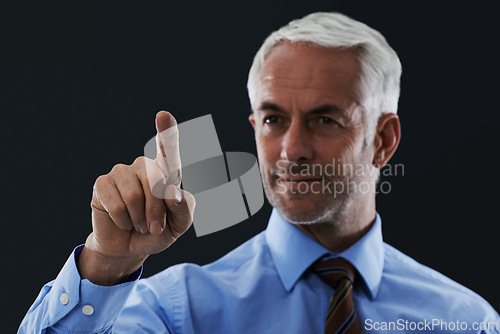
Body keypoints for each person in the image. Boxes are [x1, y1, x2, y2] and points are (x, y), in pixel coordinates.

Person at [19, 12, 499, 334]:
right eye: (273, 119)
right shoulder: (175, 312)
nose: (291, 149)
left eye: (325, 119)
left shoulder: (466, 321)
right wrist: (105, 268)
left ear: (383, 140)